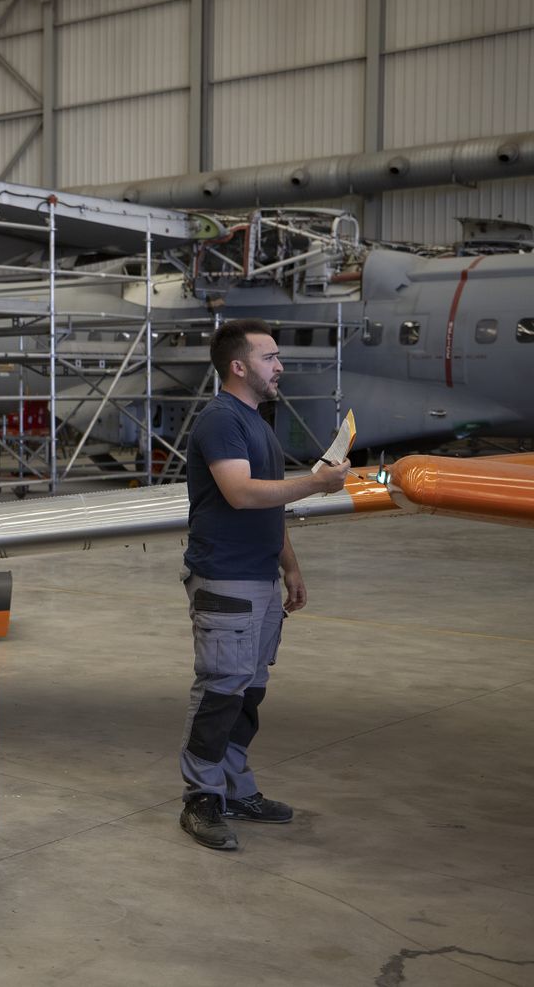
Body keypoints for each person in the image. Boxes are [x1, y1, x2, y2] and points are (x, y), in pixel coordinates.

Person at [177, 318, 349, 851]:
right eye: (270, 357)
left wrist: (290, 566)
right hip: (225, 578)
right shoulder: (221, 421)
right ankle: (201, 799)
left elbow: (268, 509)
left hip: (259, 578)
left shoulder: (257, 422)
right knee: (221, 690)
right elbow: (241, 494)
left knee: (247, 692)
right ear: (238, 366)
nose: (280, 366)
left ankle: (234, 788)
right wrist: (318, 484)